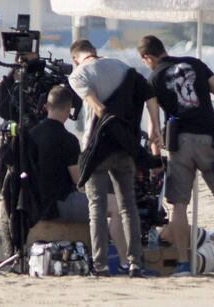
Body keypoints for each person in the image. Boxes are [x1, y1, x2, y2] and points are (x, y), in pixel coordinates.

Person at [137, 35, 214, 276]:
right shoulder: (195, 63)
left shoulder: (153, 78)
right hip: (209, 139)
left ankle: (182, 262)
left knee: (179, 205)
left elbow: (154, 127)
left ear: (147, 57)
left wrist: (156, 157)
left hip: (179, 144)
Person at [69, 39, 162, 277]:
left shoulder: (78, 74)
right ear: (95, 51)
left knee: (97, 207)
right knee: (127, 206)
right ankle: (135, 263)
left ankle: (99, 266)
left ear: (75, 58)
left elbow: (98, 108)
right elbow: (149, 95)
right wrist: (155, 127)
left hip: (97, 148)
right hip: (125, 147)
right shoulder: (121, 66)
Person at [28, 85, 130, 274]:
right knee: (115, 205)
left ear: (46, 107)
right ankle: (125, 262)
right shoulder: (67, 139)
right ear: (68, 110)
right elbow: (79, 181)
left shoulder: (31, 134)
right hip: (57, 204)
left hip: (33, 202)